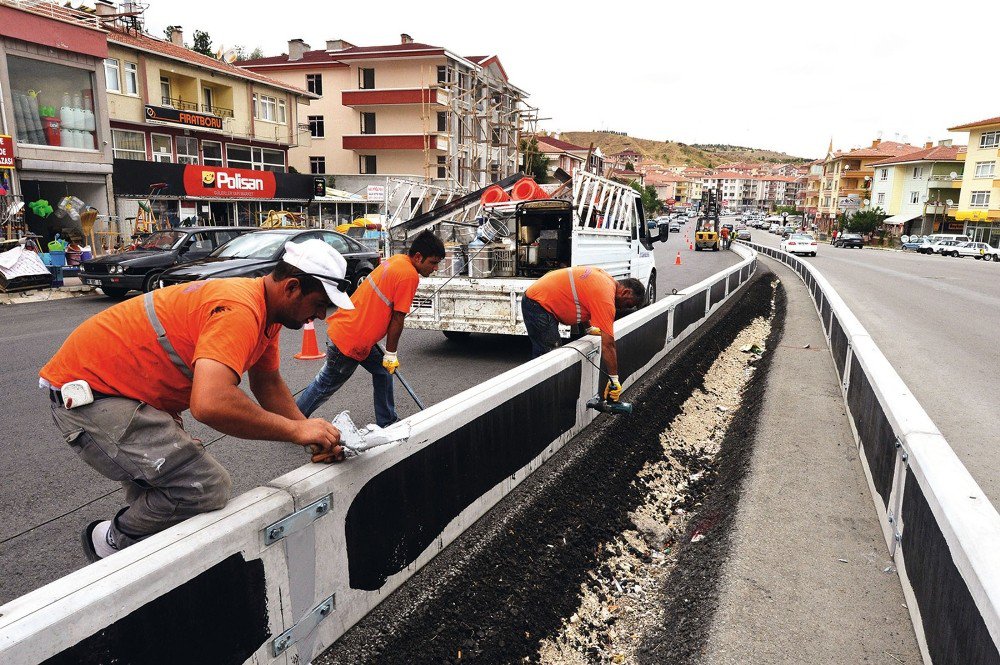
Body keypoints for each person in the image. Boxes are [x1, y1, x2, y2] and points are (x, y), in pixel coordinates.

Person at [41, 239, 353, 561]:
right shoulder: (240, 310)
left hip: (121, 392)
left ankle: (145, 558)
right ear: (291, 287)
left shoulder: (265, 314)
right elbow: (211, 403)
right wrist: (295, 431)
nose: (319, 315)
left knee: (165, 487)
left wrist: (309, 433)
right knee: (202, 485)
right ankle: (108, 541)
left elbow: (268, 384)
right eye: (319, 303)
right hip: (90, 394)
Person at [296, 230, 445, 426]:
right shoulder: (408, 275)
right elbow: (397, 318)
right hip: (352, 338)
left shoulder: (397, 260)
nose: (435, 268)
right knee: (325, 384)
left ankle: (387, 421)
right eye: (433, 262)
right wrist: (391, 354)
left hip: (357, 333)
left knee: (383, 372)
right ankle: (293, 420)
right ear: (418, 257)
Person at [521, 266, 645, 403]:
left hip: (542, 296)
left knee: (551, 355)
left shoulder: (606, 280)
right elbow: (609, 345)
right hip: (538, 302)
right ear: (626, 292)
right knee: (548, 357)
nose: (623, 308)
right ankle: (539, 399)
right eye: (627, 304)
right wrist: (614, 380)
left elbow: (583, 299)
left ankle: (544, 396)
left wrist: (588, 328)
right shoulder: (605, 296)